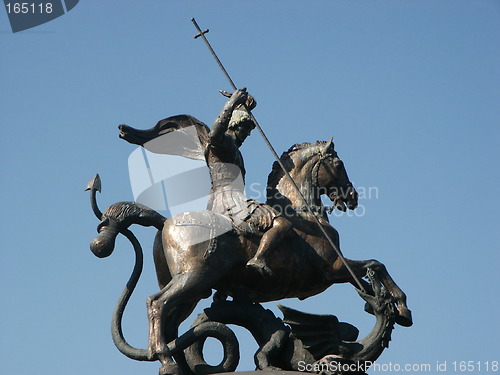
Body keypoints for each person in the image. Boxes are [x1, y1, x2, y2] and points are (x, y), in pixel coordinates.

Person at [206, 88, 292, 276]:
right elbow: (213, 135)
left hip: (222, 202)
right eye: (245, 129)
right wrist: (231, 104)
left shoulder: (233, 149)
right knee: (282, 224)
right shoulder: (225, 144)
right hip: (230, 203)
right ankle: (259, 259)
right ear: (235, 124)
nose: (247, 134)